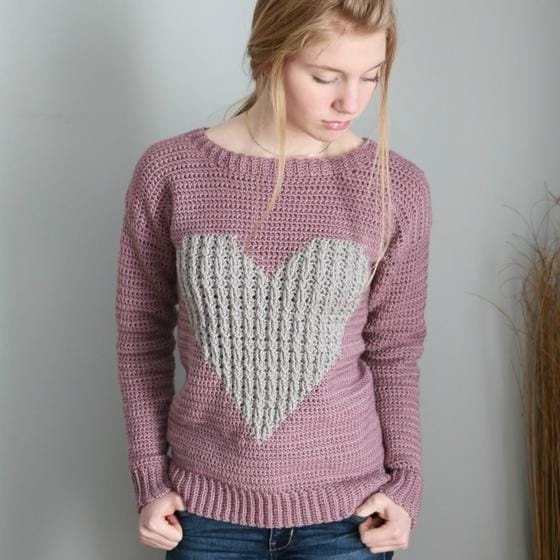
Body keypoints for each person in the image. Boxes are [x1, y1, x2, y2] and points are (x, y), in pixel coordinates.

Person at [114, 1, 432, 558]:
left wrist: (406, 483)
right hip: (202, 514)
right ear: (268, 58)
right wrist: (149, 476)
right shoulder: (170, 172)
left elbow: (395, 349)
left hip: (350, 517)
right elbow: (141, 341)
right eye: (324, 76)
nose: (350, 101)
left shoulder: (396, 185)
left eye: (370, 77)